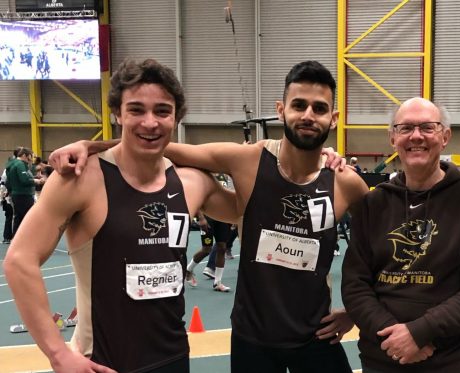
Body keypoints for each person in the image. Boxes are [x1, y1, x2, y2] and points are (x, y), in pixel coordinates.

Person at [49, 60, 369, 372]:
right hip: (252, 340)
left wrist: (354, 313)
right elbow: (157, 147)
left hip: (316, 337)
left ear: (335, 117)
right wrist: (88, 145)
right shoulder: (245, 160)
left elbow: (375, 246)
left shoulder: (346, 182)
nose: (308, 115)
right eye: (299, 105)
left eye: (319, 108)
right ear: (281, 109)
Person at [3, 58, 239, 373]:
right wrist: (58, 354)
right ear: (117, 114)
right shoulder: (80, 179)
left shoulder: (192, 182)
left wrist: (321, 164)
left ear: (176, 117)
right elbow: (19, 260)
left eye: (162, 111)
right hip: (100, 362)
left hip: (172, 358)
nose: (150, 122)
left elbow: (250, 206)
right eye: (136, 110)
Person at [342, 97, 460, 372]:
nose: (416, 136)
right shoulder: (373, 204)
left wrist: (419, 332)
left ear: (445, 136)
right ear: (393, 138)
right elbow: (355, 285)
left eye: (427, 127)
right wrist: (393, 334)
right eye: (405, 128)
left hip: (445, 361)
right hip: (381, 358)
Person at [5, 147, 43, 236]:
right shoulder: (20, 164)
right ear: (24, 155)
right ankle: (27, 239)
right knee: (28, 218)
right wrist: (36, 181)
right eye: (30, 156)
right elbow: (24, 180)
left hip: (17, 194)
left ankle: (16, 239)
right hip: (23, 195)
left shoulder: (14, 163)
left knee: (19, 218)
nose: (31, 158)